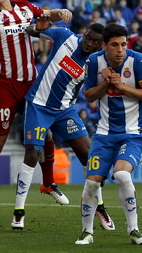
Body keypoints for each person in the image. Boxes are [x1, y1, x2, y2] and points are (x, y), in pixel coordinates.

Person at [0, 0, 74, 220]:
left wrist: (60, 11)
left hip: (32, 83)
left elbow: (45, 14)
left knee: (46, 134)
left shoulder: (23, 7)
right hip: (7, 86)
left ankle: (48, 183)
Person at [11, 19, 112, 231]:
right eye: (88, 38)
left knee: (88, 154)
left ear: (100, 45)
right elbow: (31, 31)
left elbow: (86, 93)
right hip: (38, 104)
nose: (89, 44)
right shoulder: (64, 36)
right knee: (32, 153)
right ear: (83, 34)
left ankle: (99, 207)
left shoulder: (94, 64)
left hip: (65, 111)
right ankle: (18, 212)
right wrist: (38, 25)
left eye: (95, 42)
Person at [75, 23, 142, 245]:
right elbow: (89, 96)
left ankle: (134, 230)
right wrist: (105, 83)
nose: (120, 49)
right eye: (114, 45)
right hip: (104, 134)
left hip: (134, 133)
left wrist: (121, 86)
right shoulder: (93, 62)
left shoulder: (138, 61)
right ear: (104, 46)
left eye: (123, 44)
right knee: (91, 183)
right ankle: (87, 233)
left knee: (122, 175)